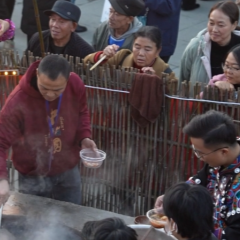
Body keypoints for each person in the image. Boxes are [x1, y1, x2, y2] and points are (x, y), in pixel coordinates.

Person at [0, 54, 96, 206]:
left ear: (68, 80)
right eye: (44, 88)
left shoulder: (75, 84)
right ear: (37, 74)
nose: (50, 94)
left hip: (68, 169)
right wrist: (2, 179)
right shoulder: (17, 101)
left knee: (73, 215)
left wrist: (85, 137)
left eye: (58, 90)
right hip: (32, 174)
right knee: (33, 222)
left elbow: (82, 111)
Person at [155, 110, 240, 239]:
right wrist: (171, 200)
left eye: (201, 153)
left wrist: (192, 234)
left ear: (224, 152)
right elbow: (200, 180)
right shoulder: (219, 158)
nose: (199, 158)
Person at [179, 1, 240, 86]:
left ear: (234, 25)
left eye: (221, 25)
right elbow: (183, 80)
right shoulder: (196, 47)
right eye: (211, 23)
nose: (214, 29)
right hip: (199, 98)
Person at [85, 26, 177, 80]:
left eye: (147, 49)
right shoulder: (121, 57)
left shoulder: (167, 75)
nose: (140, 53)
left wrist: (154, 81)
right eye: (137, 47)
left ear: (158, 51)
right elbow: (86, 66)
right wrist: (102, 56)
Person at [26, 1, 94, 61]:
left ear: (73, 26)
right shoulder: (37, 39)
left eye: (61, 22)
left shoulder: (85, 52)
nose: (55, 25)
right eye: (53, 19)